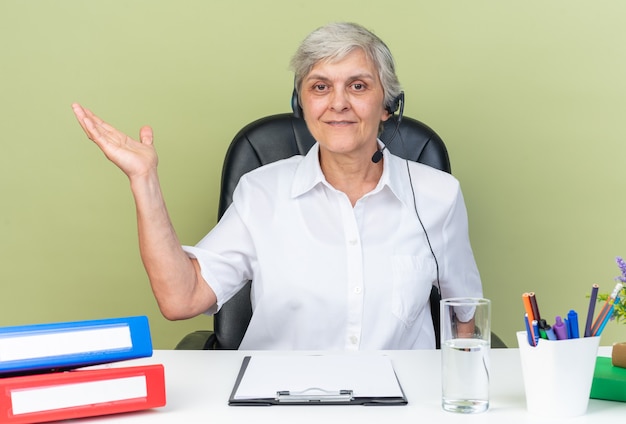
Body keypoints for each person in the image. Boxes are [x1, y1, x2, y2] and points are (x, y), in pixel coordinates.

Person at [73, 22, 482, 350]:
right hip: (278, 402)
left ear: (388, 104)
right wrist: (143, 180)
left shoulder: (438, 196)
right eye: (320, 86)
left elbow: (467, 315)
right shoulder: (261, 192)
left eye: (357, 85)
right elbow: (182, 299)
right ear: (300, 104)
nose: (338, 102)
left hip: (397, 406)